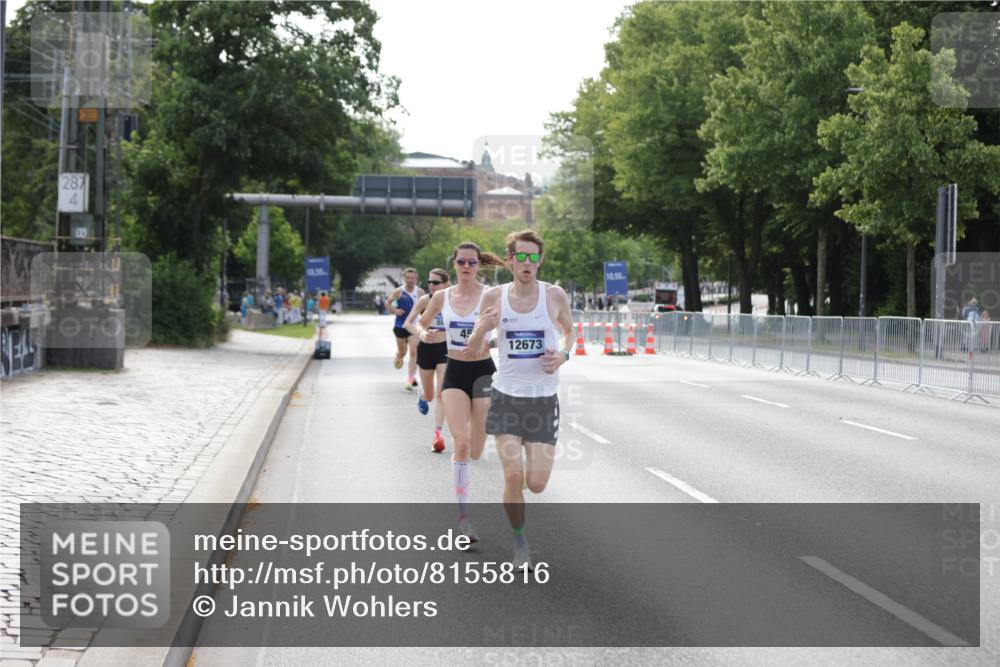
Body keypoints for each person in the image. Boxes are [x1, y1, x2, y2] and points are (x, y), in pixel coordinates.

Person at [468, 229, 574, 570]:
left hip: (542, 401)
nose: (527, 263)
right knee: (513, 476)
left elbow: (570, 331)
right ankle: (520, 544)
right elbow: (473, 347)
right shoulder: (494, 298)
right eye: (521, 257)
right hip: (506, 397)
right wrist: (482, 329)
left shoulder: (554, 295)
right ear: (510, 259)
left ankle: (530, 472)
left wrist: (563, 355)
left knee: (537, 485)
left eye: (533, 257)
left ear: (539, 260)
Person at [413, 243, 507, 542]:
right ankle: (464, 519)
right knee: (462, 443)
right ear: (454, 264)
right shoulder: (442, 296)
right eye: (461, 261)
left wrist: (492, 341)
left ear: (479, 265)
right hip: (454, 372)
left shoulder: (490, 295)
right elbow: (419, 323)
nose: (467, 266)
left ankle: (465, 507)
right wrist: (424, 334)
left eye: (472, 262)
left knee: (477, 449)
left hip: (482, 373)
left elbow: (507, 328)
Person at [405, 268, 452, 453]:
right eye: (429, 282)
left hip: (445, 349)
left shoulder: (452, 300)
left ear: (446, 284)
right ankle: (423, 394)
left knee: (442, 393)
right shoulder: (425, 301)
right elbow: (408, 323)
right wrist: (422, 333)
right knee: (431, 395)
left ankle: (438, 436)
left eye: (436, 282)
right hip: (426, 349)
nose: (431, 286)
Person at [386, 268, 425, 390]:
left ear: (416, 279)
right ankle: (399, 356)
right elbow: (387, 303)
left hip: (413, 326)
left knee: (414, 352)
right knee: (403, 352)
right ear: (404, 279)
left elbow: (425, 309)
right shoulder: (399, 291)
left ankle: (410, 379)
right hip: (400, 326)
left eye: (412, 278)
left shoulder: (420, 292)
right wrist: (395, 310)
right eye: (408, 278)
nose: (410, 280)